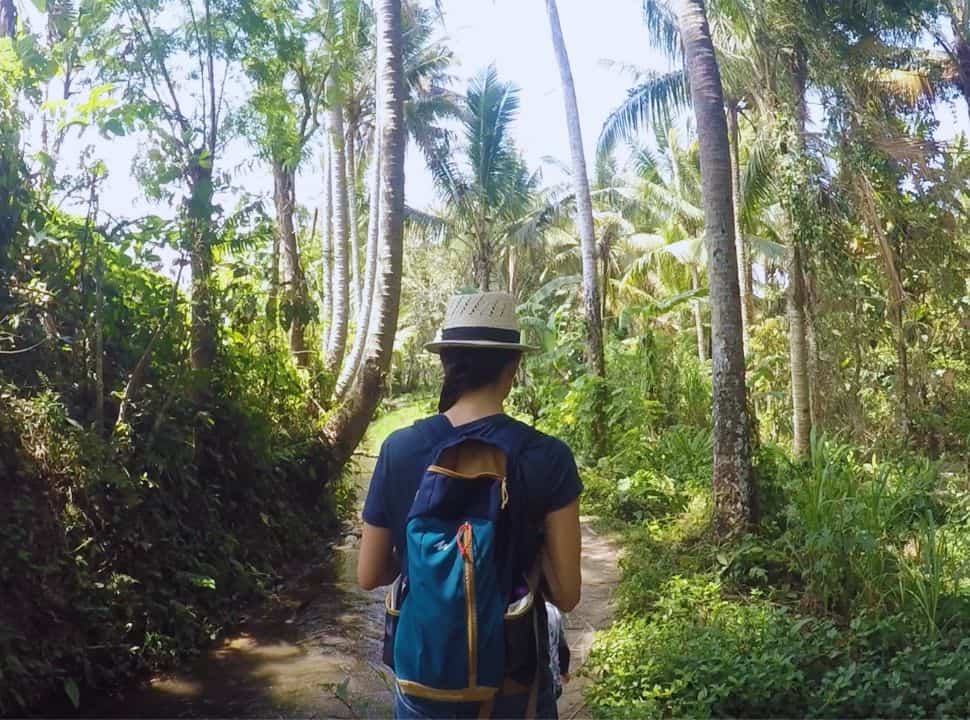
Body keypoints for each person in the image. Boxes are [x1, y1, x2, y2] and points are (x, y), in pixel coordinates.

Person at [357, 291, 582, 720]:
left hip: (426, 678)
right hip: (513, 684)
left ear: (447, 363)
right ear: (512, 366)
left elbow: (368, 574)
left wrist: (425, 563)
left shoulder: (399, 449)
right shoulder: (547, 456)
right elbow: (568, 594)